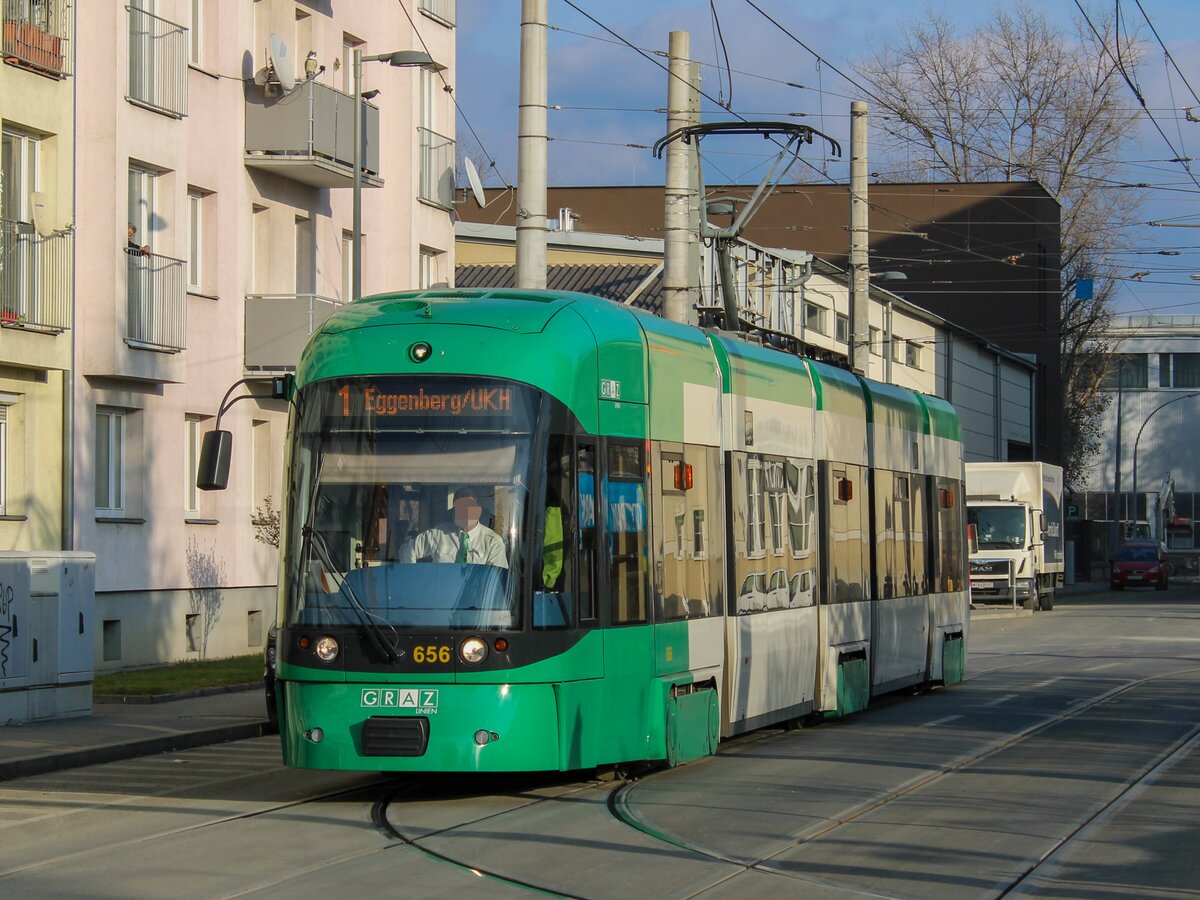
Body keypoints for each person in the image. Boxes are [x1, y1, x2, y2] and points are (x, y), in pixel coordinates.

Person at [398, 487, 508, 568]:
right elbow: (406, 550)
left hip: (475, 598)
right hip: (440, 596)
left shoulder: (493, 541)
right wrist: (412, 577)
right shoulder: (438, 534)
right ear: (454, 511)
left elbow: (495, 579)